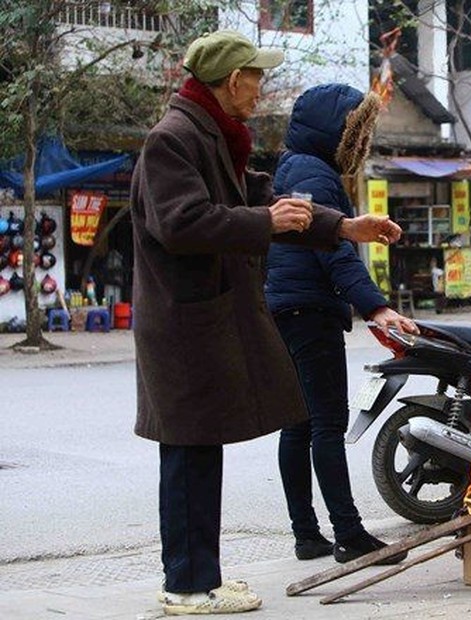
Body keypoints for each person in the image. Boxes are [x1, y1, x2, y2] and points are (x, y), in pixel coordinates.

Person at [130, 31, 401, 615]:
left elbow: (266, 195)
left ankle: (203, 575)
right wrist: (266, 222)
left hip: (204, 322)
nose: (261, 89)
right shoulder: (172, 140)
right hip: (180, 326)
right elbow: (183, 222)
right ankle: (184, 585)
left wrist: (340, 227)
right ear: (232, 81)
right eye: (256, 78)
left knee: (202, 452)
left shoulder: (214, 136)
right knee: (186, 454)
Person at [264, 83, 417, 565]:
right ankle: (349, 534)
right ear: (339, 131)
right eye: (359, 129)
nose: (363, 140)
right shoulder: (314, 173)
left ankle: (307, 535)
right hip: (308, 310)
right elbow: (333, 251)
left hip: (285, 307)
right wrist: (377, 307)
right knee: (326, 424)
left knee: (298, 424)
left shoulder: (293, 167)